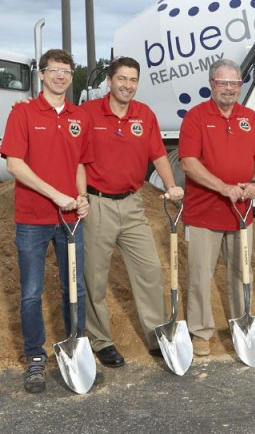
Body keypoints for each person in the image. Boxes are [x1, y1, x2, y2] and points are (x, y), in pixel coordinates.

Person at [80, 56, 184, 368]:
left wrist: (170, 184)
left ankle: (156, 335)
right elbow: (72, 150)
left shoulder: (144, 115)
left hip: (133, 202)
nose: (127, 85)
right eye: (122, 79)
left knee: (150, 270)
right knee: (95, 277)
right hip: (97, 203)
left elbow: (158, 154)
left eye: (133, 80)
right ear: (109, 82)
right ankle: (101, 340)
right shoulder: (88, 114)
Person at [0, 49, 91, 394]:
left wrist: (81, 197)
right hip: (33, 220)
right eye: (54, 70)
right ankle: (35, 357)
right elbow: (14, 165)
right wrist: (57, 195)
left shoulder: (78, 116)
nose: (61, 76)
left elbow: (81, 163)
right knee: (32, 292)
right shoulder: (23, 114)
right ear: (41, 74)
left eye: (67, 71)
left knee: (75, 288)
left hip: (71, 219)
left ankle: (76, 344)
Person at [179, 58, 255, 356]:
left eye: (234, 83)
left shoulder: (250, 118)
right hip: (205, 212)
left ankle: (240, 325)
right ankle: (201, 332)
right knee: (200, 274)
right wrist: (224, 188)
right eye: (222, 82)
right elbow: (189, 163)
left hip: (242, 212)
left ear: (240, 86)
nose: (228, 89)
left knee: (242, 272)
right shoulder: (195, 117)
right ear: (211, 84)